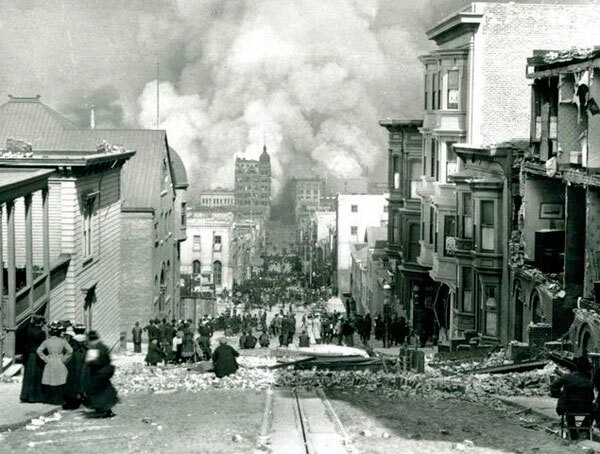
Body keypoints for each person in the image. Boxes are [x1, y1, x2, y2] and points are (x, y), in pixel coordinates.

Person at [550, 356, 594, 440]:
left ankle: (573, 433)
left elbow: (554, 386)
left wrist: (559, 395)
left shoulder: (567, 377)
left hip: (569, 407)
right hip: (585, 408)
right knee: (594, 410)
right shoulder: (589, 382)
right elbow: (591, 397)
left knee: (568, 408)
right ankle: (583, 428)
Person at [82, 330, 118, 418]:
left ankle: (105, 410)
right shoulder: (101, 346)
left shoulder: (96, 348)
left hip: (98, 374)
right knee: (103, 392)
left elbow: (99, 361)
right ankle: (103, 409)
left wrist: (91, 362)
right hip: (101, 373)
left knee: (99, 393)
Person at [36, 321, 73, 405]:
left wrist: (45, 359)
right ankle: (59, 399)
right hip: (60, 360)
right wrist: (65, 359)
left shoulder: (46, 342)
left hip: (50, 360)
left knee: (51, 380)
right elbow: (70, 351)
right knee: (60, 380)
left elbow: (39, 351)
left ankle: (51, 399)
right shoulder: (63, 341)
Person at [20, 316, 46, 403]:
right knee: (37, 376)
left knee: (28, 376)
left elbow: (24, 344)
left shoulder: (27, 331)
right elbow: (43, 346)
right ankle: (36, 396)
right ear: (40, 323)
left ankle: (25, 395)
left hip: (29, 355)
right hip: (37, 355)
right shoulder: (41, 333)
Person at [63, 324, 88, 410]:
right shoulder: (87, 340)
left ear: (75, 331)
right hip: (86, 361)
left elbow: (68, 351)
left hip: (75, 362)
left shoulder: (72, 341)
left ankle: (74, 397)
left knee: (74, 378)